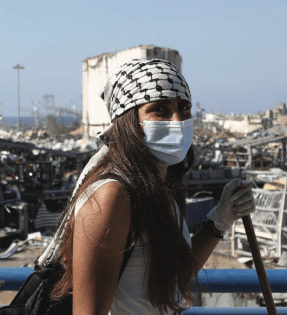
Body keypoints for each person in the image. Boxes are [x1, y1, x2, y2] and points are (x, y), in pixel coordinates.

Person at [36, 59, 255, 315]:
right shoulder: (111, 195)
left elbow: (174, 275)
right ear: (130, 121)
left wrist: (220, 219)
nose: (177, 120)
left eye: (184, 108)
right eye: (160, 109)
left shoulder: (160, 191)